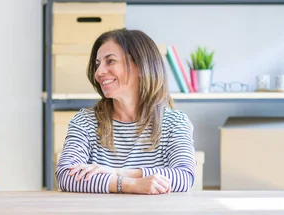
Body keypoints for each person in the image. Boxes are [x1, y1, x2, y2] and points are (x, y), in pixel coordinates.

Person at [55, 28, 196, 195]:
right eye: (98, 64)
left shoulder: (175, 122)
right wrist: (129, 184)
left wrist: (117, 172)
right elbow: (66, 175)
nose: (99, 73)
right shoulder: (84, 122)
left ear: (140, 65)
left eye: (110, 61)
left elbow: (184, 176)